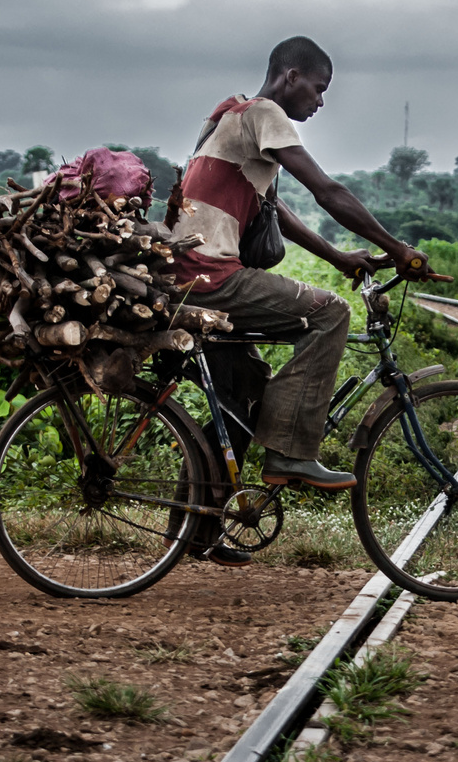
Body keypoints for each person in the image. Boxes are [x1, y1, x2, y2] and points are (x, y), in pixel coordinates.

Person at [169, 36, 431, 566]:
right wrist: (397, 249)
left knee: (238, 396)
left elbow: (276, 211)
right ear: (290, 76)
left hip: (183, 277)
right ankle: (291, 452)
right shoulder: (265, 112)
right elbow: (327, 191)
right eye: (318, 87)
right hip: (213, 277)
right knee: (331, 312)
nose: (320, 100)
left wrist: (339, 256)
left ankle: (193, 533)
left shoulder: (228, 115)